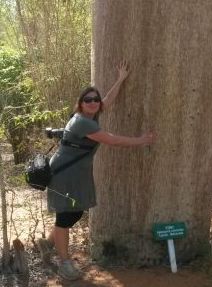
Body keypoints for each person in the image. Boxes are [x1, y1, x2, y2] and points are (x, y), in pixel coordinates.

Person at [37, 60, 155, 281]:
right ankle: (64, 264)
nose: (93, 102)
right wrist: (142, 140)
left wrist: (120, 79)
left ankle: (47, 243)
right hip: (65, 175)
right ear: (80, 104)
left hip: (75, 174)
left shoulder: (89, 116)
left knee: (74, 212)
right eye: (87, 99)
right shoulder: (83, 123)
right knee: (66, 216)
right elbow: (112, 140)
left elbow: (107, 101)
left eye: (95, 99)